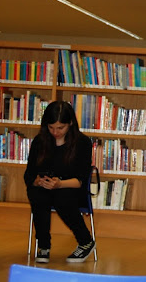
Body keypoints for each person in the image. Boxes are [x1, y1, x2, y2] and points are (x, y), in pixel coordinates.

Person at [23, 100, 96, 263]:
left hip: (71, 189)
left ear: (70, 124)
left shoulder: (82, 143)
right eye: (51, 127)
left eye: (60, 128)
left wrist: (60, 184)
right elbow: (28, 174)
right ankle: (43, 245)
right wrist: (37, 181)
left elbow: (81, 180)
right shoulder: (40, 141)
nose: (55, 132)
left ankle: (85, 241)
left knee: (61, 197)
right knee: (37, 194)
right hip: (45, 188)